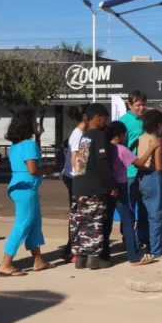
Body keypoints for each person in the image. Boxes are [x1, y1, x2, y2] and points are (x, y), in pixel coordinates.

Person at [0, 109, 54, 276]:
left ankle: (38, 260)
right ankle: (6, 263)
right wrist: (47, 169)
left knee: (34, 224)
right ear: (27, 125)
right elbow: (32, 169)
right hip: (26, 189)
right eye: (34, 121)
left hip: (21, 188)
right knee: (22, 225)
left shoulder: (15, 146)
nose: (37, 124)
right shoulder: (30, 145)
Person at [104, 121, 158, 266]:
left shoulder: (106, 147)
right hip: (120, 187)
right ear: (120, 135)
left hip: (106, 187)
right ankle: (134, 255)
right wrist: (151, 148)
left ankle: (104, 253)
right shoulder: (121, 150)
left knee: (107, 220)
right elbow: (139, 162)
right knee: (128, 221)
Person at [70, 104, 115, 270]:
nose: (105, 122)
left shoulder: (84, 136)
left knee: (80, 223)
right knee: (95, 221)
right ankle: (94, 259)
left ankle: (80, 258)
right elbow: (102, 162)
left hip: (79, 185)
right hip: (94, 186)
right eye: (104, 119)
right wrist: (110, 184)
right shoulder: (99, 135)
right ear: (98, 118)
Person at [134, 109, 162, 260]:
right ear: (159, 125)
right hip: (152, 178)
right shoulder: (155, 141)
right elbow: (158, 166)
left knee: (143, 214)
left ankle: (137, 243)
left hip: (140, 178)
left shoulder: (141, 138)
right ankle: (156, 249)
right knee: (156, 215)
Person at [119, 91, 149, 250]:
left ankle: (141, 238)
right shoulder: (123, 122)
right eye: (138, 105)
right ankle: (129, 241)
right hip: (129, 172)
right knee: (129, 209)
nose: (142, 108)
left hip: (145, 171)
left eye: (144, 105)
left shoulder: (146, 120)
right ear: (129, 105)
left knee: (144, 208)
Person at [61, 105, 88, 259]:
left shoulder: (79, 133)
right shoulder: (78, 135)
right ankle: (70, 250)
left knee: (77, 215)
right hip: (74, 179)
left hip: (72, 178)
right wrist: (83, 176)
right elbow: (74, 160)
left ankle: (72, 248)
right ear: (86, 117)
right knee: (77, 215)